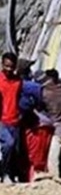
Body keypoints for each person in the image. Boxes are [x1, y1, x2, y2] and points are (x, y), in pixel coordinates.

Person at [0, 53, 22, 182]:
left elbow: (20, 98)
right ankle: (5, 173)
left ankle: (12, 174)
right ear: (2, 64)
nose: (9, 69)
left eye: (11, 66)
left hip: (14, 120)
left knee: (15, 150)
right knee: (9, 144)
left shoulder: (18, 81)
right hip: (1, 120)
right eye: (6, 66)